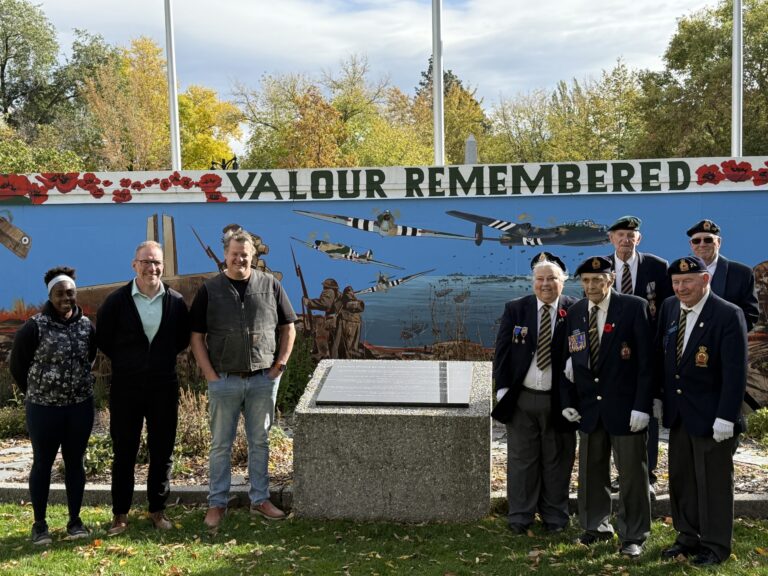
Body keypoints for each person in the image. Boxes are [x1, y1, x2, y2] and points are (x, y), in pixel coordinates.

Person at [190, 227, 297, 528]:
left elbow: (289, 328)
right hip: (224, 379)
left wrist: (279, 367)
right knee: (221, 444)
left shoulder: (270, 285)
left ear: (253, 257)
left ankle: (260, 500)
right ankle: (217, 503)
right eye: (235, 254)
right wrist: (211, 375)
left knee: (260, 442)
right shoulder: (209, 290)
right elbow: (196, 336)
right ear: (225, 256)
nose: (240, 259)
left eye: (245, 255)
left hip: (263, 379)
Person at [656, 256, 747, 566]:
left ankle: (715, 545)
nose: (681, 288)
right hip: (679, 413)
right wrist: (658, 397)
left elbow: (735, 373)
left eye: (688, 282)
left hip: (712, 417)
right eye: (677, 283)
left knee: (714, 483)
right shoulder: (670, 307)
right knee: (682, 479)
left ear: (705, 280)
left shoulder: (727, 314)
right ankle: (687, 536)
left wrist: (726, 416)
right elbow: (664, 355)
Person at [560, 256, 653, 557]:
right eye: (585, 281)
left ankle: (633, 535)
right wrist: (569, 403)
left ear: (610, 280)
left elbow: (646, 363)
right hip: (590, 408)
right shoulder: (574, 312)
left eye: (597, 280)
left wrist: (642, 406)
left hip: (626, 409)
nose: (591, 286)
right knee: (591, 473)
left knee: (631, 476)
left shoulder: (633, 307)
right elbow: (567, 362)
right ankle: (595, 527)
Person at [96, 241, 190, 535]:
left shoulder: (175, 301)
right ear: (134, 265)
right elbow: (105, 340)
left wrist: (156, 361)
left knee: (162, 450)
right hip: (126, 387)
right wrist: (131, 361)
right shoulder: (116, 301)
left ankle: (157, 510)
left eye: (157, 263)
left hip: (163, 385)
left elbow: (181, 340)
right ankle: (120, 514)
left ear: (163, 266)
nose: (152, 268)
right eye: (146, 262)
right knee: (124, 450)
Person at [492, 252, 577, 534]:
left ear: (563, 281)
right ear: (532, 282)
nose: (545, 284)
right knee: (521, 461)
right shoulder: (516, 309)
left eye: (552, 278)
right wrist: (502, 389)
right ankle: (520, 516)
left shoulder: (575, 310)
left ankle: (555, 518)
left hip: (560, 400)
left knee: (557, 460)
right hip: (522, 398)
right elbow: (502, 354)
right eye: (540, 279)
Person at [9, 267, 96, 544]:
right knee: (42, 464)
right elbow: (17, 365)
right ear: (50, 296)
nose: (65, 298)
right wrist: (37, 392)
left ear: (75, 294)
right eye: (59, 294)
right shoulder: (34, 326)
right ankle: (40, 524)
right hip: (43, 409)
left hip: (79, 407)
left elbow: (90, 357)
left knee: (75, 464)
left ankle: (75, 521)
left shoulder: (86, 326)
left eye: (70, 293)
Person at [605, 215, 670, 492]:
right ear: (611, 239)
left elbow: (667, 309)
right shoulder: (600, 267)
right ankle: (622, 473)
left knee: (649, 411)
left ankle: (649, 474)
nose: (625, 240)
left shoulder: (657, 267)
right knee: (617, 411)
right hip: (612, 354)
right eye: (620, 235)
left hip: (649, 352)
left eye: (631, 235)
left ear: (638, 239)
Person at [686, 219, 758, 332]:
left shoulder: (742, 273)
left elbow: (750, 315)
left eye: (708, 240)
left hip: (725, 343)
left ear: (718, 242)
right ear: (691, 244)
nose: (702, 244)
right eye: (696, 241)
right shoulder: (680, 274)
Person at [304, 278, 340, 360]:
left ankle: (323, 356)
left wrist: (309, 303)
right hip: (336, 321)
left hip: (331, 321)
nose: (323, 287)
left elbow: (325, 304)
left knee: (322, 336)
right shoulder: (337, 293)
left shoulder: (329, 291)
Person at [332, 286, 365, 359]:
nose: (351, 292)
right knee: (350, 345)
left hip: (351, 321)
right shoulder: (346, 299)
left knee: (345, 344)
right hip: (350, 322)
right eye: (350, 291)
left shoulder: (343, 299)